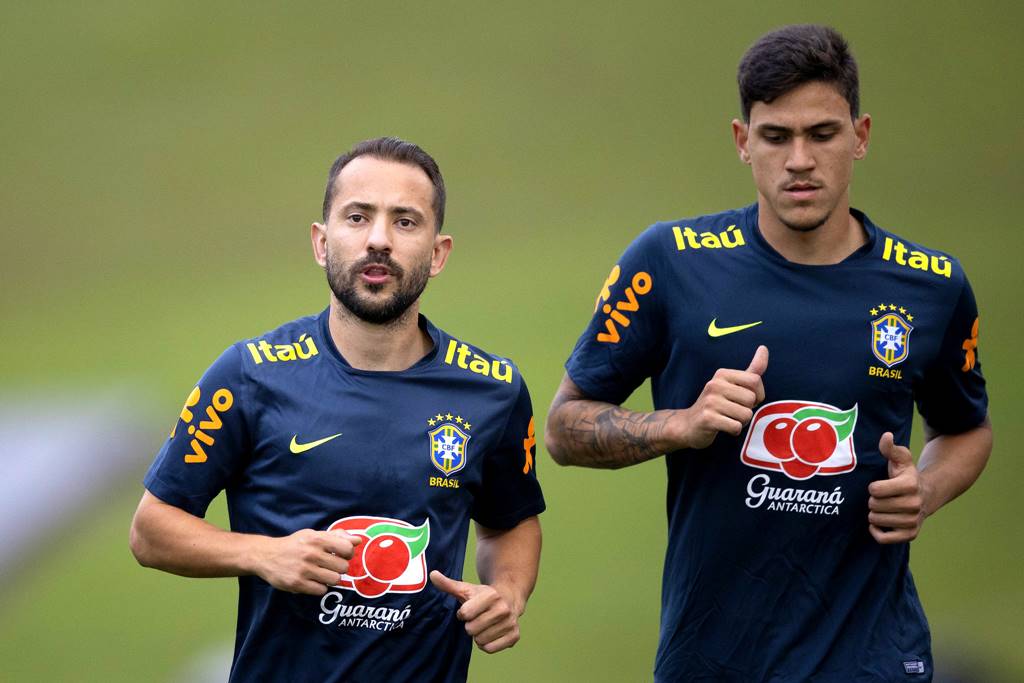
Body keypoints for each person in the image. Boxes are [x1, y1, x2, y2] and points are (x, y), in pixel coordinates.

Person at [545, 24, 991, 682]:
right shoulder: (669, 263)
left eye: (822, 134)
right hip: (712, 660)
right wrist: (679, 424)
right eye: (776, 136)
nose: (800, 160)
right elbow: (562, 427)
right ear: (742, 141)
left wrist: (924, 490)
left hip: (872, 660)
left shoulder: (931, 286)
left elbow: (966, 428)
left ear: (860, 136)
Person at [130, 137, 545, 682]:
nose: (378, 240)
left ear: (438, 253)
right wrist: (262, 554)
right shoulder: (249, 374)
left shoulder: (493, 390)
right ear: (322, 242)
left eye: (404, 222)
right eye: (357, 217)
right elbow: (152, 529)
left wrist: (506, 594)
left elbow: (510, 523)